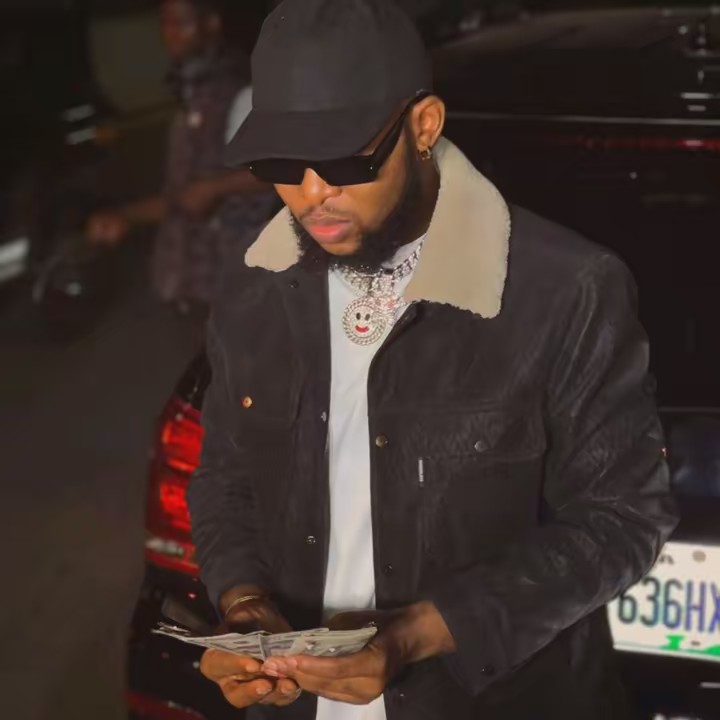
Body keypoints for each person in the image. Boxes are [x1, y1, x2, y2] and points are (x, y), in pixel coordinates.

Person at [186, 1, 679, 718]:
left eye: (344, 159)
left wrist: (413, 636)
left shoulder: (563, 290)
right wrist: (244, 604)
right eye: (281, 165)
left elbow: (621, 520)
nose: (311, 194)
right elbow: (224, 479)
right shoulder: (252, 288)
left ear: (423, 125)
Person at [88, 0, 276, 315]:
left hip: (237, 287)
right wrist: (126, 216)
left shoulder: (243, 92)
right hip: (188, 288)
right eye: (165, 24)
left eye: (181, 23)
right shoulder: (188, 96)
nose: (171, 34)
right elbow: (181, 195)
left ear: (211, 24)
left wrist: (215, 187)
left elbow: (278, 170)